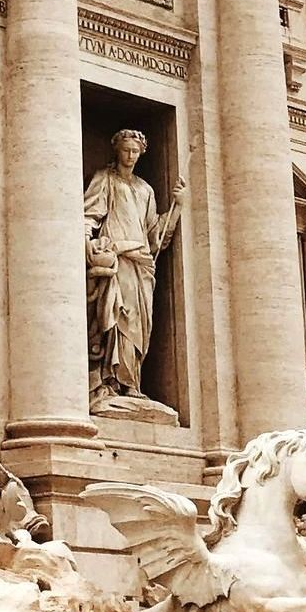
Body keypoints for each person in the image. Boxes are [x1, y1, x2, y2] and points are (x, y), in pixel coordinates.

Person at [83, 130, 184, 410]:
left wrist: (177, 208)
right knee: (117, 317)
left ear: (141, 153)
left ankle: (132, 383)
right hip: (118, 257)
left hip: (141, 263)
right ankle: (111, 380)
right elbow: (89, 214)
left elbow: (155, 234)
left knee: (139, 323)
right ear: (117, 150)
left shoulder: (145, 190)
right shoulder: (105, 179)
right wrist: (87, 242)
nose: (130, 156)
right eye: (126, 150)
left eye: (135, 151)